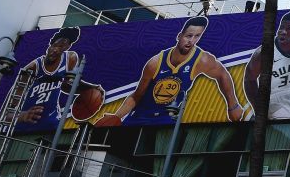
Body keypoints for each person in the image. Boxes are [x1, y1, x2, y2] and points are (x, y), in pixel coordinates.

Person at [98, 16, 243, 125]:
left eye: (197, 36)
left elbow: (223, 74)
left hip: (166, 118)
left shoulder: (201, 59)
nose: (191, 41)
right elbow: (137, 96)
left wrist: (233, 105)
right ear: (179, 36)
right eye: (188, 36)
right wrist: (117, 116)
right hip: (139, 117)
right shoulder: (155, 63)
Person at [11, 27, 101, 131]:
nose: (56, 50)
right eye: (55, 45)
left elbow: (66, 85)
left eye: (62, 48)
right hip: (25, 128)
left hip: (51, 123)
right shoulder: (32, 69)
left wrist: (92, 89)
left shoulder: (70, 58)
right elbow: (5, 114)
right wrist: (22, 116)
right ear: (50, 45)